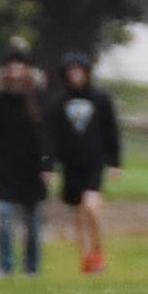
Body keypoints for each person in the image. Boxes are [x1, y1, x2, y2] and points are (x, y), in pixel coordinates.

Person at [45, 51, 121, 274]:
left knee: (91, 206)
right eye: (72, 71)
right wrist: (48, 166)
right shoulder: (57, 103)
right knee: (78, 213)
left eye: (79, 71)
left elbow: (111, 131)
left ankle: (98, 250)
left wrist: (115, 162)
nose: (76, 75)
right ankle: (87, 258)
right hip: (70, 164)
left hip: (94, 162)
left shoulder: (101, 99)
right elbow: (50, 137)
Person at [0, 44, 51, 277]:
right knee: (4, 216)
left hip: (32, 168)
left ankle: (32, 267)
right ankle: (5, 265)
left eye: (20, 65)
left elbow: (47, 135)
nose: (16, 70)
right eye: (12, 65)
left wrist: (46, 164)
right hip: (4, 167)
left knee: (32, 222)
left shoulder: (38, 98)